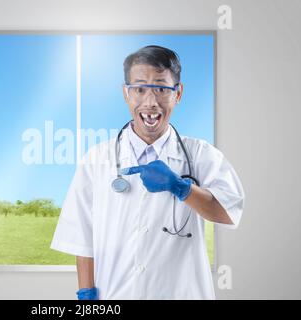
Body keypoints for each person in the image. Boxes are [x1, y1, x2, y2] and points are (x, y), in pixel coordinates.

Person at [50, 45, 245, 300]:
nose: (150, 102)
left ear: (178, 93)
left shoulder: (201, 155)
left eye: (162, 89)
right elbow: (83, 237)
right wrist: (86, 295)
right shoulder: (97, 159)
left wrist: (181, 188)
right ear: (126, 94)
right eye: (140, 89)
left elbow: (228, 212)